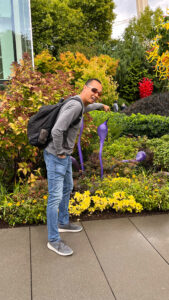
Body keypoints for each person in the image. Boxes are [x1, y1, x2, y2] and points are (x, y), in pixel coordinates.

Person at [44, 78, 110, 256]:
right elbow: (56, 130)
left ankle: (63, 222)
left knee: (68, 187)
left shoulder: (78, 103)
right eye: (94, 90)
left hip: (63, 156)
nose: (96, 95)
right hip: (57, 156)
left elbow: (87, 108)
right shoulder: (75, 106)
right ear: (85, 88)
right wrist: (60, 152)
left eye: (99, 93)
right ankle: (53, 239)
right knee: (55, 197)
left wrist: (101, 105)